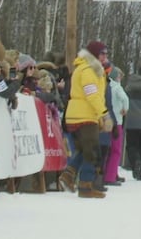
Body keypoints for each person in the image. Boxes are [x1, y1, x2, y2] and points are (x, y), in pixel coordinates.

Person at [59, 40, 114, 198]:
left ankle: (69, 175)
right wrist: (104, 113)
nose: (105, 56)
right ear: (95, 55)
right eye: (102, 53)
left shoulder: (89, 68)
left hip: (80, 113)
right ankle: (85, 186)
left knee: (84, 149)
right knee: (92, 150)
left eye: (106, 54)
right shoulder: (89, 70)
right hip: (84, 115)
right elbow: (92, 94)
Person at [104, 66, 129, 186]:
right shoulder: (117, 87)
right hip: (117, 121)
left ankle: (106, 174)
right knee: (116, 150)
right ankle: (110, 176)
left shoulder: (106, 86)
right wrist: (125, 109)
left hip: (106, 121)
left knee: (107, 149)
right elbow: (125, 98)